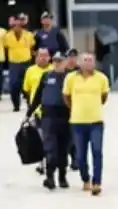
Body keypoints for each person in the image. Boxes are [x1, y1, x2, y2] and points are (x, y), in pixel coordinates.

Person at [62, 52, 109, 195]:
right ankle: (85, 178)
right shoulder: (70, 78)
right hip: (77, 122)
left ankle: (97, 182)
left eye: (91, 60)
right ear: (79, 63)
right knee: (80, 155)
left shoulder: (101, 78)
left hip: (96, 121)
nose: (88, 62)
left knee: (97, 151)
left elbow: (104, 96)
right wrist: (75, 108)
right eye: (85, 60)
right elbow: (66, 96)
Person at [26, 50, 70, 190]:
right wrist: (29, 114)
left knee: (63, 148)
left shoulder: (71, 78)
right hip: (48, 116)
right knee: (50, 148)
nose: (57, 63)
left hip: (66, 116)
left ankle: (62, 176)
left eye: (60, 61)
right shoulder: (46, 76)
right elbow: (38, 96)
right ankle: (49, 177)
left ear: (65, 62)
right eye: (55, 61)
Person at [22, 45, 51, 177]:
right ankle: (42, 163)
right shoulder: (30, 71)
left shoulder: (54, 70)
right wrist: (30, 109)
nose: (43, 58)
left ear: (49, 57)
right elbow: (26, 90)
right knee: (40, 138)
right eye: (41, 55)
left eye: (46, 55)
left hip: (51, 110)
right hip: (37, 111)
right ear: (36, 57)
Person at [2, 14, 33, 112]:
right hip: (14, 63)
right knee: (14, 85)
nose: (17, 27)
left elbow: (32, 47)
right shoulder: (7, 36)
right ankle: (16, 105)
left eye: (19, 25)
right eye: (14, 25)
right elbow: (5, 47)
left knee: (28, 85)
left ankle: (30, 104)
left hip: (26, 62)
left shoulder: (28, 35)